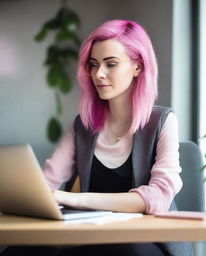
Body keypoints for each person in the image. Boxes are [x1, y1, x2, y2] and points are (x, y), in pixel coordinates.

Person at [1, 19, 194, 256]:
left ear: (138, 67)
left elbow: (158, 198)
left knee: (128, 252)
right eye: (93, 65)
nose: (98, 74)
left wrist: (76, 200)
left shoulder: (162, 121)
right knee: (17, 252)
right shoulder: (83, 125)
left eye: (110, 64)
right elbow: (46, 185)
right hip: (92, 237)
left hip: (147, 240)